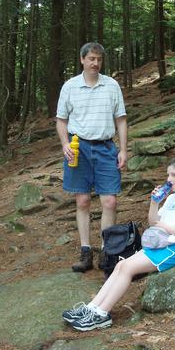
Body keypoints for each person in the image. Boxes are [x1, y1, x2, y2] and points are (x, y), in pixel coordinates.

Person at [62, 156, 175, 331]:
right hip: (161, 243)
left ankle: (101, 314)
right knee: (121, 265)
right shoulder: (171, 198)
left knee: (128, 268)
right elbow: (154, 222)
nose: (168, 179)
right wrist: (154, 203)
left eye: (174, 175)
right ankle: (92, 308)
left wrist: (165, 226)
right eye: (168, 174)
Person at [56, 42, 128, 273]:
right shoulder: (70, 87)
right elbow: (61, 120)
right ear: (82, 60)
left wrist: (123, 150)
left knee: (110, 201)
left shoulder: (112, 85)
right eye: (91, 59)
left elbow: (121, 119)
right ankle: (86, 250)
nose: (95, 63)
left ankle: (108, 251)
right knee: (83, 201)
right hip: (79, 149)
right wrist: (65, 144)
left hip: (106, 148)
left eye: (99, 59)